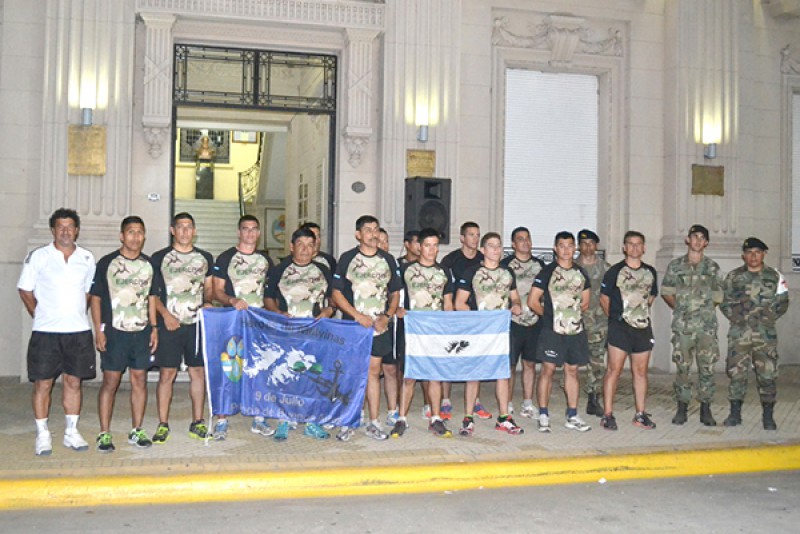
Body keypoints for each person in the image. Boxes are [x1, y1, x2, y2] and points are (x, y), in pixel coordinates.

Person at [18, 208, 97, 456]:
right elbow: (25, 290)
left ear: (77, 230)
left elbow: (88, 293)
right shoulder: (38, 256)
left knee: (73, 382)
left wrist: (75, 313)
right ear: (53, 230)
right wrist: (39, 314)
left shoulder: (87, 258)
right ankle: (42, 434)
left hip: (78, 332)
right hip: (46, 333)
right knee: (43, 383)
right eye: (60, 227)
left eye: (70, 227)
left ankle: (71, 432)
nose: (65, 231)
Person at [91, 216, 158, 452]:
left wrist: (154, 328)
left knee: (140, 380)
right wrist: (99, 330)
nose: (135, 237)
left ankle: (137, 429)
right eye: (130, 232)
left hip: (141, 333)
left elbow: (152, 298)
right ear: (122, 236)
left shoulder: (149, 265)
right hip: (114, 333)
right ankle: (104, 433)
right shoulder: (107, 263)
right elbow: (96, 299)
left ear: (144, 236)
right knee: (111, 382)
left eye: (139, 232)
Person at [332, 215, 402, 441]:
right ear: (358, 234)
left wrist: (387, 316)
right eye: (368, 230)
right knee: (353, 373)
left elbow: (395, 293)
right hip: (354, 327)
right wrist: (357, 316)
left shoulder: (388, 259)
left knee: (373, 372)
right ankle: (350, 420)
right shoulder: (347, 258)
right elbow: (336, 293)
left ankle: (374, 422)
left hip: (379, 328)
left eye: (376, 229)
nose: (373, 234)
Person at [265, 227, 336, 441]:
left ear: (315, 248)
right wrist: (279, 313)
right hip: (288, 333)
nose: (305, 249)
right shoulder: (279, 270)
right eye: (300, 244)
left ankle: (312, 422)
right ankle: (284, 420)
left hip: (316, 333)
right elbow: (268, 298)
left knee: (313, 376)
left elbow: (333, 300)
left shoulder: (323, 271)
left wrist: (328, 311)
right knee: (287, 376)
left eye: (309, 245)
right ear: (291, 246)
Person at [150, 213, 214, 443]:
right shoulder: (159, 258)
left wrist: (208, 302)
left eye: (189, 227)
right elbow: (151, 295)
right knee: (167, 373)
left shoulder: (205, 258)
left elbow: (208, 288)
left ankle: (198, 422)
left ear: (194, 231)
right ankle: (163, 424)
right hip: (170, 325)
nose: (185, 231)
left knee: (198, 373)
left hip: (196, 325)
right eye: (180, 227)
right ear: (172, 231)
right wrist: (165, 315)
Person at [454, 232, 524, 436]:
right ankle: (468, 418)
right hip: (479, 332)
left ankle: (504, 418)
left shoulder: (507, 273)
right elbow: (459, 303)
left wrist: (516, 306)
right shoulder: (471, 272)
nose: (496, 249)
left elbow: (515, 298)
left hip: (501, 332)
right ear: (483, 250)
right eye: (491, 246)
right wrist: (480, 319)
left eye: (499, 246)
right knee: (474, 374)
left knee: (503, 373)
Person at [211, 214, 274, 440]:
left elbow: (270, 294)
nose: (250, 233)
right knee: (229, 369)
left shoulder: (265, 261)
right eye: (245, 229)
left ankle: (259, 418)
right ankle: (221, 420)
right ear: (239, 232)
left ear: (259, 233)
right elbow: (216, 291)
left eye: (254, 229)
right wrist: (232, 300)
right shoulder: (226, 257)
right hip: (232, 323)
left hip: (258, 324)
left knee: (258, 369)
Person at [390, 227, 454, 438]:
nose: (432, 250)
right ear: (419, 247)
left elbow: (448, 303)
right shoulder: (406, 269)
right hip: (412, 332)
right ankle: (401, 419)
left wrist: (449, 326)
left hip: (435, 331)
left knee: (434, 375)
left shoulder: (444, 272)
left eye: (435, 246)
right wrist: (397, 310)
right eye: (427, 245)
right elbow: (395, 296)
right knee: (409, 376)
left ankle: (435, 418)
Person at [720, 237, 789, 430]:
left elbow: (783, 301)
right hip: (739, 334)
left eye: (757, 252)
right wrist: (736, 318)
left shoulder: (774, 276)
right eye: (749, 252)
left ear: (764, 254)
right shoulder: (733, 277)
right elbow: (723, 301)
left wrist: (767, 318)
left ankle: (768, 416)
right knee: (736, 373)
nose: (753, 256)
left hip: (765, 335)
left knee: (767, 374)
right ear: (744, 255)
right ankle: (735, 414)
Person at [529, 231, 592, 433]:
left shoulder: (581, 273)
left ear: (575, 248)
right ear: (555, 248)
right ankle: (543, 414)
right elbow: (532, 301)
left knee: (572, 371)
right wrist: (550, 317)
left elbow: (585, 302)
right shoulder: (547, 272)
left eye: (570, 246)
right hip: (552, 332)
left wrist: (569, 317)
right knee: (547, 371)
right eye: (562, 246)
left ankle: (572, 415)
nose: (566, 250)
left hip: (574, 331)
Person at [661, 224, 723, 427]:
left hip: (706, 327)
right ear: (687, 240)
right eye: (694, 236)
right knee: (683, 368)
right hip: (683, 327)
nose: (697, 240)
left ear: (706, 243)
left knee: (707, 367)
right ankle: (682, 407)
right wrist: (681, 309)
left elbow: (718, 296)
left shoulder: (712, 268)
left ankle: (706, 408)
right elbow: (667, 292)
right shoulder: (675, 266)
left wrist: (702, 311)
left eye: (702, 238)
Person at [599, 230, 658, 431]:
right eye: (630, 244)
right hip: (620, 329)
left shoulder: (650, 272)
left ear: (644, 248)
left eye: (638, 244)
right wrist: (618, 319)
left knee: (640, 372)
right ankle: (608, 414)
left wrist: (637, 315)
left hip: (642, 329)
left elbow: (650, 297)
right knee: (613, 371)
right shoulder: (614, 271)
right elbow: (604, 299)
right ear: (624, 247)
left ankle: (640, 414)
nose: (634, 247)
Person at [440, 221, 488, 420]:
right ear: (462, 238)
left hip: (477, 319)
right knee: (449, 357)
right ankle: (445, 401)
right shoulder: (450, 260)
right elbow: (444, 290)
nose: (475, 239)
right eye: (471, 235)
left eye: (477, 235)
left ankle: (475, 401)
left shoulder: (484, 259)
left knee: (475, 358)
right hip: (455, 316)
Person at [500, 226, 545, 418]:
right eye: (520, 239)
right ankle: (507, 403)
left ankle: (527, 403)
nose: (525, 242)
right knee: (509, 365)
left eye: (528, 238)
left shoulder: (540, 265)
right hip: (512, 323)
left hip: (534, 322)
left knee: (529, 364)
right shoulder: (505, 265)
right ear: (513, 244)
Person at [575, 229, 610, 417]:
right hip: (574, 322)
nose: (587, 247)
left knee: (596, 361)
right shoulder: (571, 267)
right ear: (578, 246)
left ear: (596, 246)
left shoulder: (606, 269)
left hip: (598, 322)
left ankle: (593, 398)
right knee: (571, 362)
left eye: (591, 243)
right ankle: (570, 399)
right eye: (584, 243)